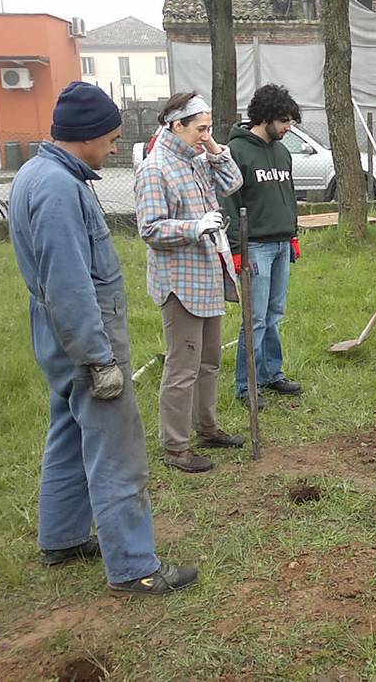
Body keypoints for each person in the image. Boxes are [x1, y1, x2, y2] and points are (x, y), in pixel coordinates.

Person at [7, 81, 197, 594]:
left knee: (69, 434)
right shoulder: (57, 188)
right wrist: (98, 359)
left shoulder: (36, 173)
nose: (114, 147)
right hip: (85, 344)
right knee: (117, 450)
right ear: (87, 135)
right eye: (111, 138)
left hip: (58, 337)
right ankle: (135, 567)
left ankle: (63, 538)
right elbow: (67, 281)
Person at [135, 92, 244, 473]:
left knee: (210, 360)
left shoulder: (196, 159)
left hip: (209, 275)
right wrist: (194, 227)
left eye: (209, 128)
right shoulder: (156, 168)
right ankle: (176, 447)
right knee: (183, 367)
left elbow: (232, 181)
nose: (205, 135)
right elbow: (149, 229)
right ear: (175, 126)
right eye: (199, 128)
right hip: (180, 282)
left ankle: (207, 428)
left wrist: (212, 144)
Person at [221, 84, 303, 409]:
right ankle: (247, 386)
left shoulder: (282, 153)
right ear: (266, 117)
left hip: (281, 243)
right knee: (254, 318)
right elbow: (229, 202)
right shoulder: (236, 152)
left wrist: (292, 235)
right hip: (255, 247)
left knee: (275, 314)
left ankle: (272, 373)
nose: (288, 127)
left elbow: (289, 196)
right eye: (284, 121)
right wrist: (237, 249)